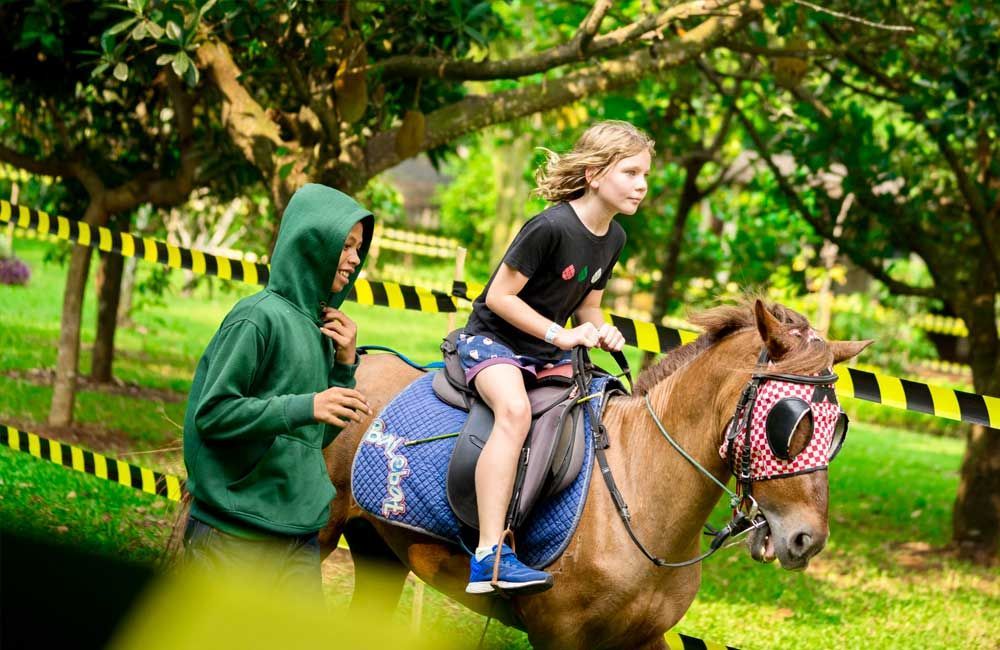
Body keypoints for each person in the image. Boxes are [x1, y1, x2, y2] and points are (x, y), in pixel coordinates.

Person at [461, 121, 654, 594]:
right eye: (630, 172)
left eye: (645, 175)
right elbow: (500, 297)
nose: (642, 185)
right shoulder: (548, 227)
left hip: (546, 351)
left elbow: (587, 304)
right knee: (514, 412)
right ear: (594, 174)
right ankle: (488, 555)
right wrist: (558, 334)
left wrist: (600, 330)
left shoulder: (614, 238)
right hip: (493, 343)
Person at [181, 183, 375, 592]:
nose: (355, 259)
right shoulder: (256, 317)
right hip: (234, 534)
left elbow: (314, 437)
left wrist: (343, 367)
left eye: (359, 248)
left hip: (298, 533)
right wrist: (306, 405)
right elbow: (213, 415)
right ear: (313, 241)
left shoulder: (321, 328)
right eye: (347, 245)